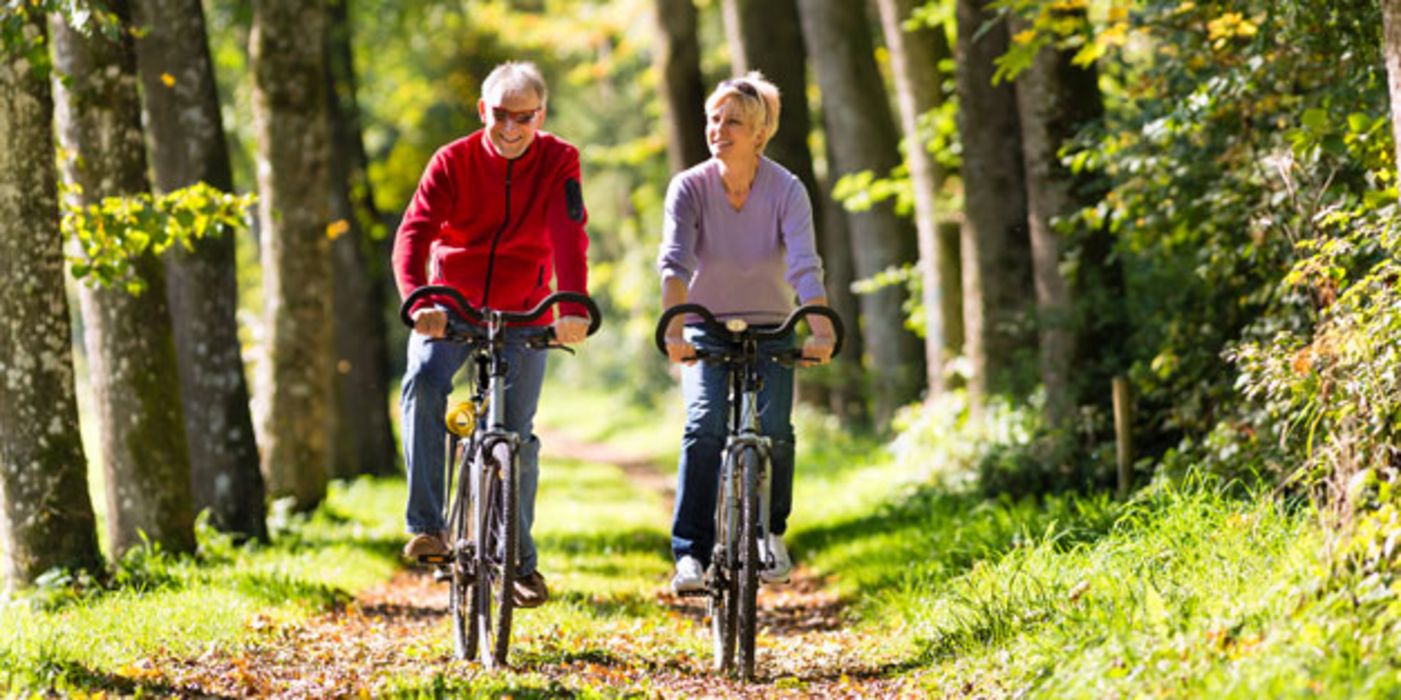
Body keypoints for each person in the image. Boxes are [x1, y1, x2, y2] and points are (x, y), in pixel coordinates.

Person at [393, 61, 591, 608]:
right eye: (500, 115)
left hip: (525, 308)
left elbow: (568, 233)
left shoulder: (558, 160)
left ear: (540, 115)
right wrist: (420, 298)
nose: (510, 128)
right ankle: (428, 525)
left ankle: (519, 562)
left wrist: (571, 305)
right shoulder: (452, 161)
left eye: (523, 117)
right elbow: (414, 234)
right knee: (425, 380)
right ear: (484, 110)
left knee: (517, 437)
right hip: (449, 305)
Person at [656, 72, 837, 594]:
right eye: (714, 119)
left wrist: (819, 329)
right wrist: (674, 327)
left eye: (733, 121)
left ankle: (771, 533)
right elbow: (674, 263)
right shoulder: (689, 187)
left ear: (760, 133)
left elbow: (805, 266)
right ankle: (690, 554)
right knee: (705, 424)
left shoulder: (787, 189)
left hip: (773, 326)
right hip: (706, 330)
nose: (719, 129)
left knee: (776, 430)